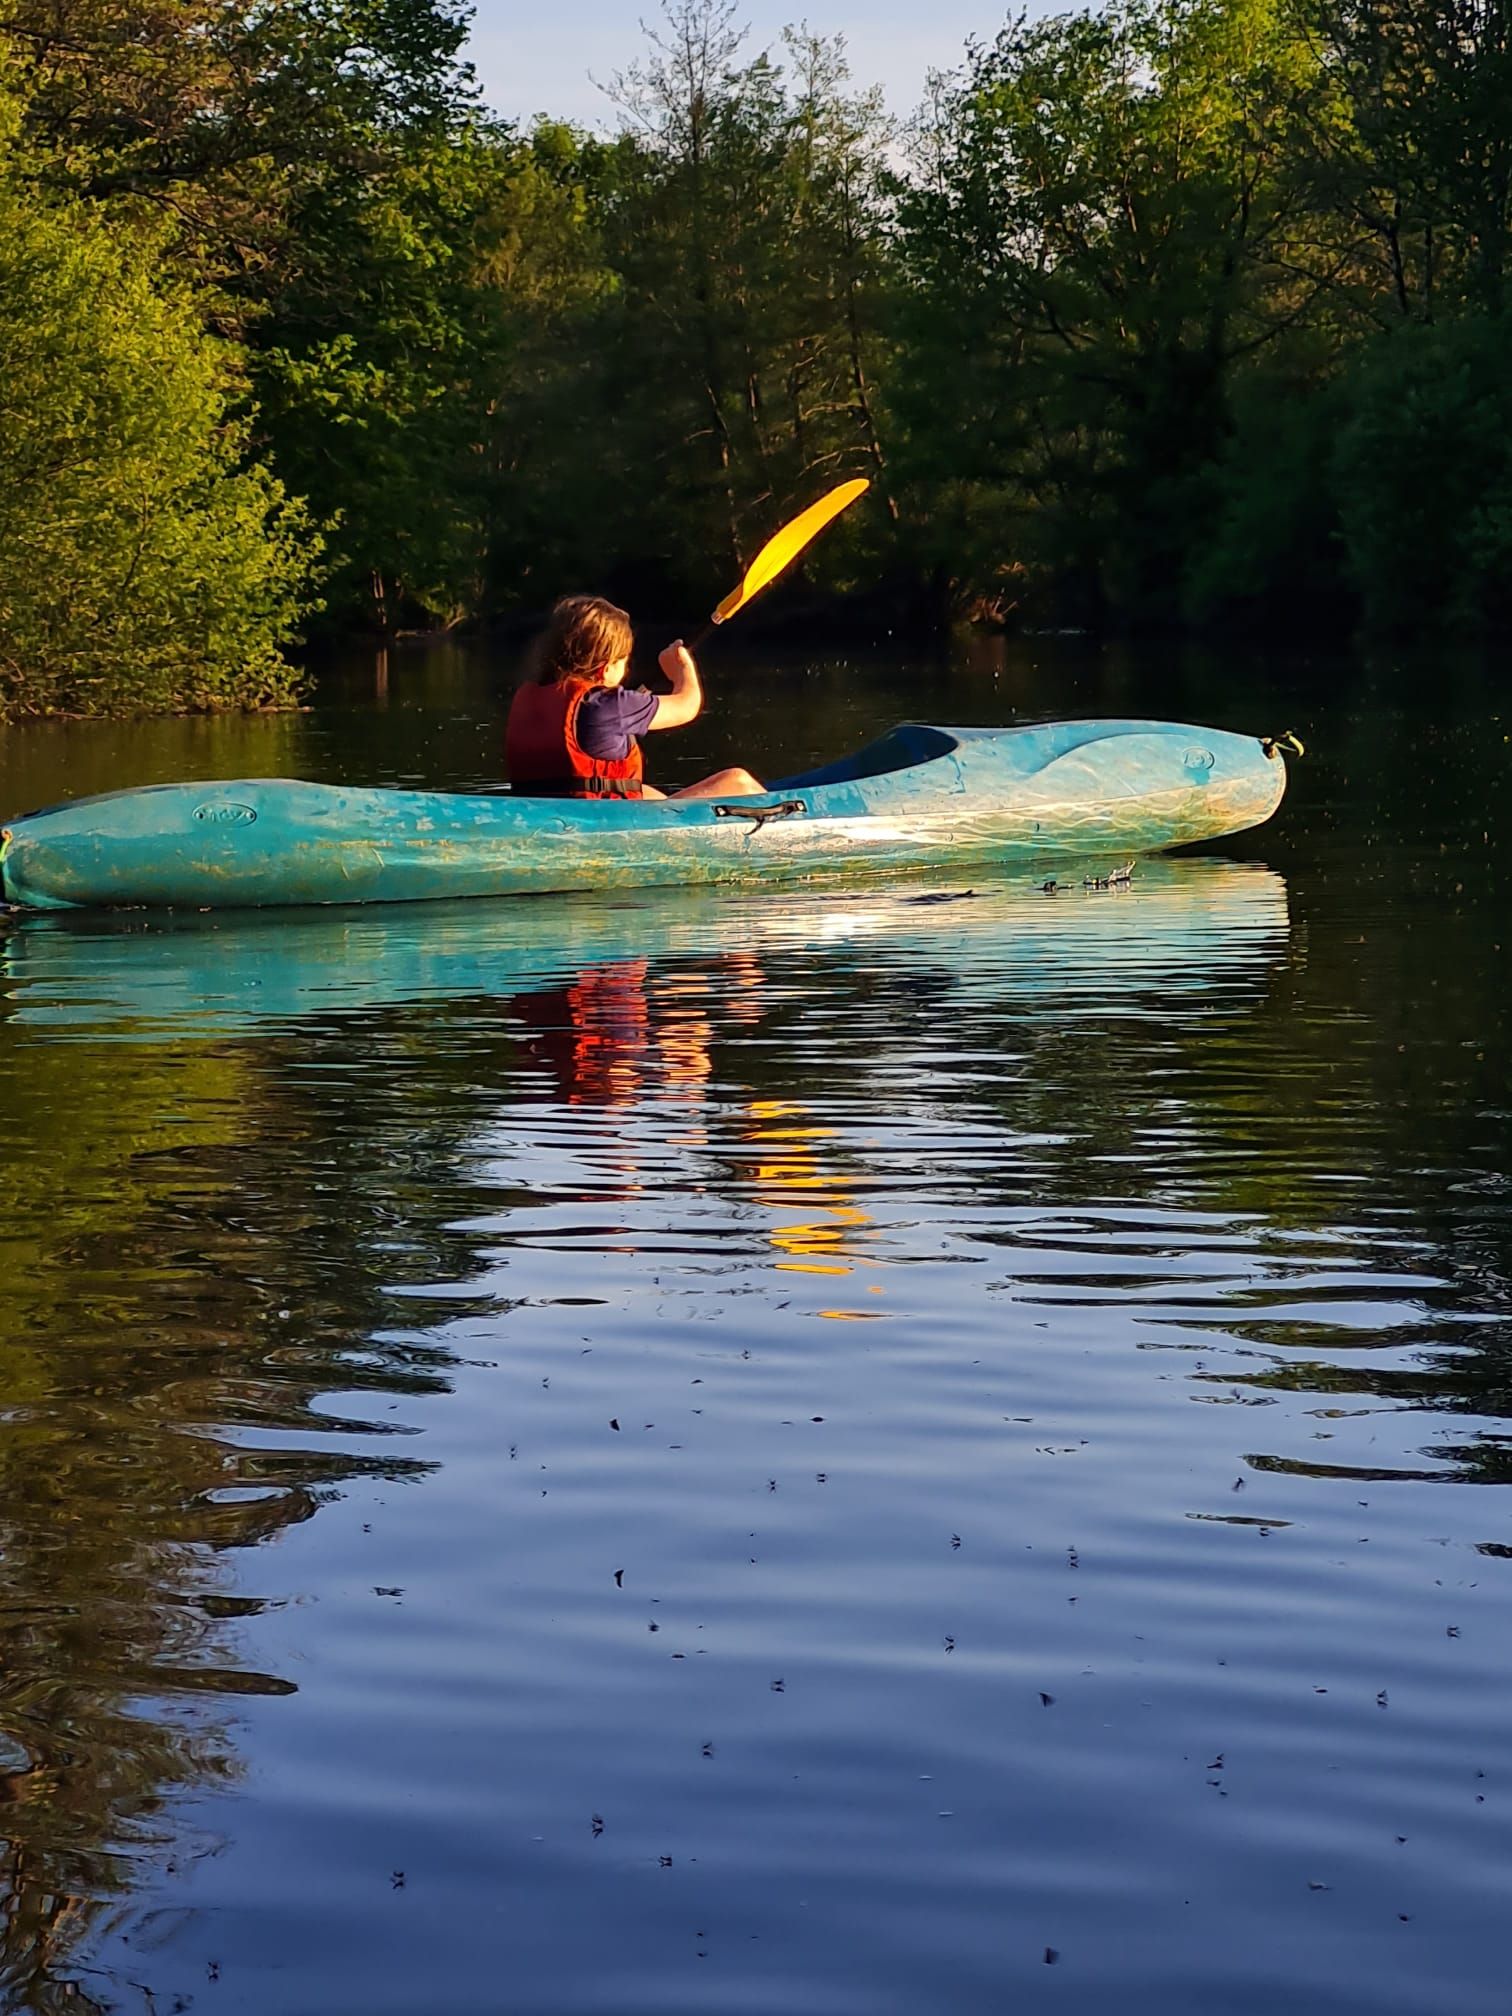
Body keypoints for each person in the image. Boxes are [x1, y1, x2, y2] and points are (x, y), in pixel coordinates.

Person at [505, 594, 763, 801]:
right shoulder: (612, 706)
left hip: (550, 812)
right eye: (624, 661)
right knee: (738, 780)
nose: (626, 669)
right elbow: (688, 705)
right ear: (605, 668)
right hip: (604, 822)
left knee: (646, 791)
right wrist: (682, 668)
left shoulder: (532, 696)